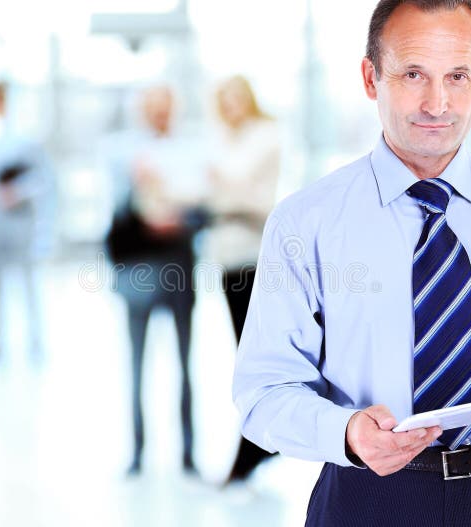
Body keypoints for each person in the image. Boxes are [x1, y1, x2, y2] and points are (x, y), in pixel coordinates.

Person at [232, 1, 471, 525]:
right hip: (369, 497)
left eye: (458, 76)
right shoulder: (305, 223)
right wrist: (345, 432)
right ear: (371, 77)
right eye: (413, 73)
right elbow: (263, 391)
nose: (437, 103)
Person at [106, 84, 205, 476]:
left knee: (184, 363)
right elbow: (114, 218)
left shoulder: (192, 150)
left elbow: (203, 208)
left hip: (179, 263)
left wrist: (182, 217)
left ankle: (187, 453)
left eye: (165, 108)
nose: (159, 115)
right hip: (140, 268)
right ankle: (137, 452)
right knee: (137, 363)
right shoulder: (124, 155)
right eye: (152, 108)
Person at [204, 75, 281, 484]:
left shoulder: (263, 135)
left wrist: (224, 190)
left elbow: (237, 188)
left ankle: (253, 449)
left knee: (253, 356)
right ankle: (258, 446)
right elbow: (215, 189)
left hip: (252, 257)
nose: (231, 106)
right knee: (242, 353)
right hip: (227, 255)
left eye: (237, 97)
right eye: (224, 99)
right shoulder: (224, 138)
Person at [0, 83, 54, 361]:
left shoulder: (26, 141)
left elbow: (43, 180)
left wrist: (17, 192)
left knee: (27, 283)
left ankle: (35, 341)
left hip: (22, 221)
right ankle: (0, 343)